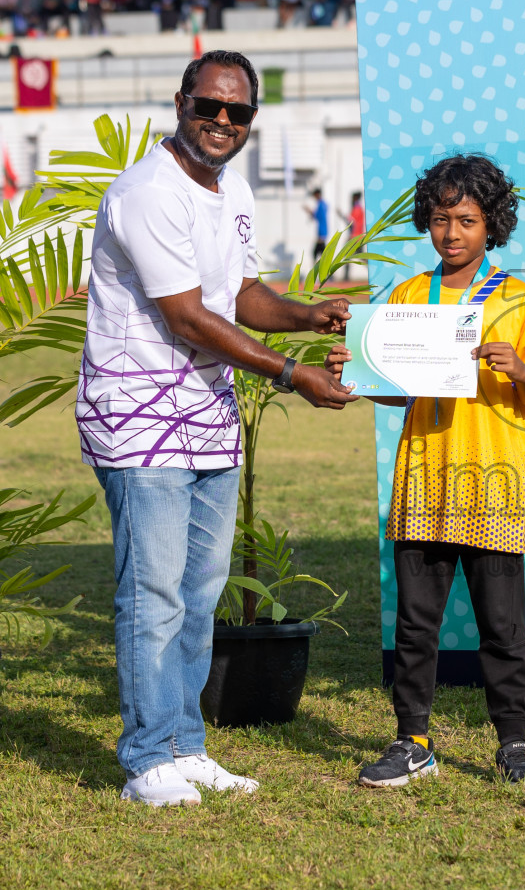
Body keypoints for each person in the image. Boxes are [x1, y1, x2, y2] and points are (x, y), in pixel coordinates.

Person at [77, 50, 357, 806]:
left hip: (207, 419)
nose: (222, 122)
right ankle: (145, 760)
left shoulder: (231, 190)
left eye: (238, 113)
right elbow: (190, 315)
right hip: (139, 419)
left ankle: (184, 746)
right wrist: (293, 373)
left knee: (199, 594)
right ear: (181, 102)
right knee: (154, 592)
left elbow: (238, 294)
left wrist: (310, 316)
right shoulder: (146, 192)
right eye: (209, 106)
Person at [338, 154, 525, 788]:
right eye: (440, 219)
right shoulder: (409, 295)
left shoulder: (516, 298)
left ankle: (514, 742)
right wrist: (354, 375)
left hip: (489, 481)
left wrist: (518, 369)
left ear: (492, 223)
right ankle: (412, 740)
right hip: (423, 478)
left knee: (502, 627)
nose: (452, 233)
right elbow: (396, 388)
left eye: (466, 219)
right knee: (415, 624)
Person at [311, 187, 330, 259]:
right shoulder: (323, 204)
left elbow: (318, 216)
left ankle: (322, 268)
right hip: (322, 230)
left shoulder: (321, 205)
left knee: (317, 252)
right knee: (320, 252)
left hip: (322, 230)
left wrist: (309, 211)